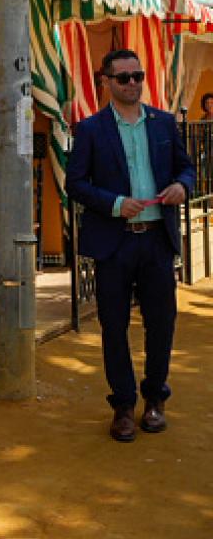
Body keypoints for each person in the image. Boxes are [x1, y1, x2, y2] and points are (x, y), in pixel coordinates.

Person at [65, 48, 194, 443]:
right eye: (123, 77)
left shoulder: (164, 123)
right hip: (114, 244)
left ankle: (155, 399)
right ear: (106, 81)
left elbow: (185, 167)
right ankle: (123, 404)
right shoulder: (89, 130)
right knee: (114, 327)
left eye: (137, 75)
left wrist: (182, 186)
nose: (132, 83)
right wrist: (116, 204)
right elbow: (75, 184)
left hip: (157, 240)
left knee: (161, 324)